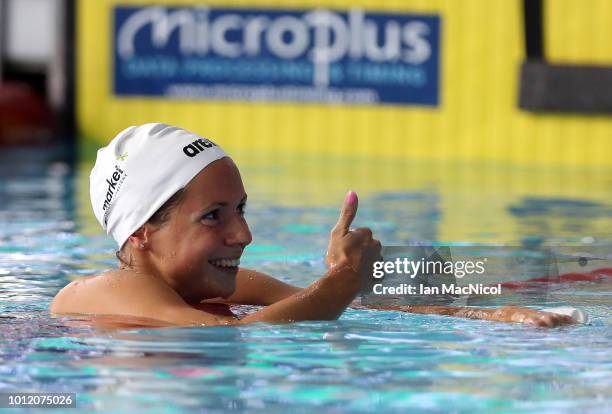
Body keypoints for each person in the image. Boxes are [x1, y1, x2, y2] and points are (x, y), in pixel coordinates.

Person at [50, 123, 574, 328]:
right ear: (139, 232)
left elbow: (357, 311)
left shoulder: (218, 291)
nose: (243, 235)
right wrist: (340, 281)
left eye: (241, 209)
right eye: (214, 216)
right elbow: (233, 337)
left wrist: (497, 315)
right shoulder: (102, 292)